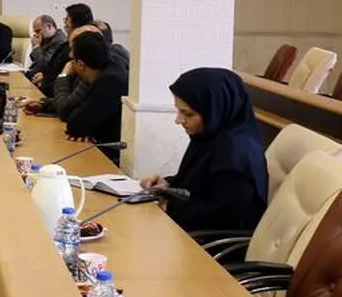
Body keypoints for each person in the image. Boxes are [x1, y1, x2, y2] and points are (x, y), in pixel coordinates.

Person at [141, 68, 269, 233]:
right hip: (187, 229)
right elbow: (203, 184)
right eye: (179, 111)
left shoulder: (237, 154)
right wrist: (168, 186)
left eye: (188, 114)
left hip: (210, 242)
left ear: (215, 110)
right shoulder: (209, 136)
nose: (178, 120)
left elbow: (226, 215)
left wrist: (170, 206)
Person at [63, 32, 129, 164]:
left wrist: (83, 129)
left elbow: (75, 124)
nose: (70, 60)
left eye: (72, 59)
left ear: (80, 64)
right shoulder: (110, 66)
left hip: (109, 157)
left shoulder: (110, 81)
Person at [37, 2, 95, 94]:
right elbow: (52, 68)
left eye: (67, 19)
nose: (64, 21)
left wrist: (44, 84)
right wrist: (44, 75)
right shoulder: (66, 45)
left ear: (76, 23)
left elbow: (64, 80)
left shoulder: (80, 50)